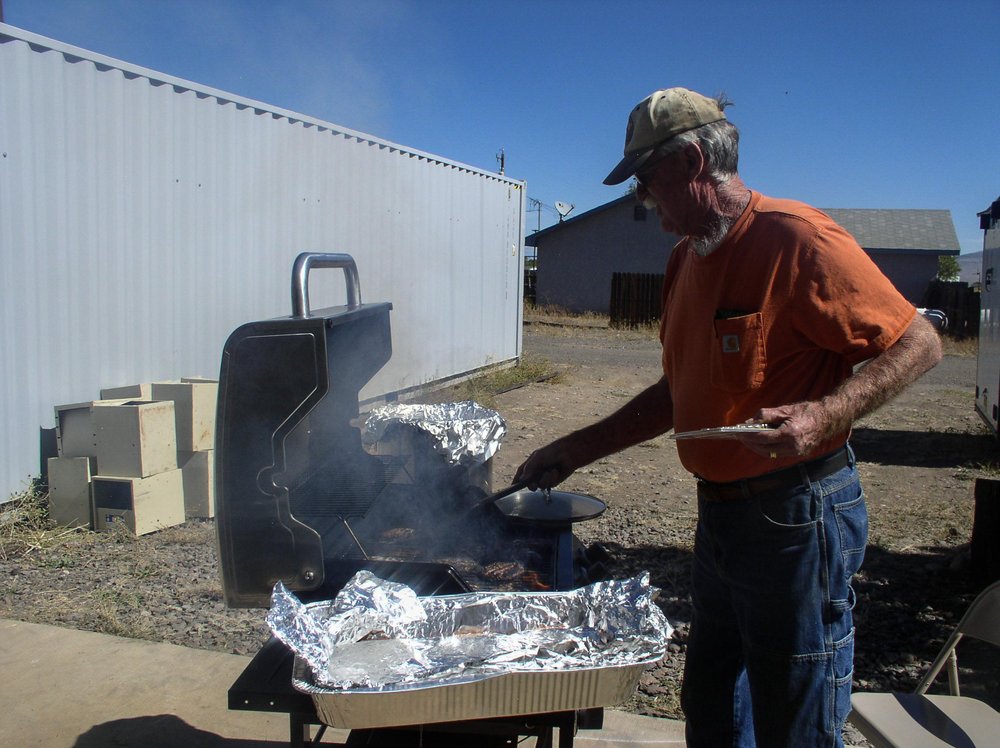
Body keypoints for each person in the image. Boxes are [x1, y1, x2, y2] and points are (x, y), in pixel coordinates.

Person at [514, 87, 943, 748]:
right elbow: (675, 393)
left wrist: (823, 415)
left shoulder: (796, 239)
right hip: (722, 517)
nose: (642, 197)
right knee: (712, 701)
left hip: (797, 514)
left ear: (691, 162)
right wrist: (576, 447)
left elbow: (920, 343)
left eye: (646, 178)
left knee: (791, 710)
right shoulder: (687, 257)